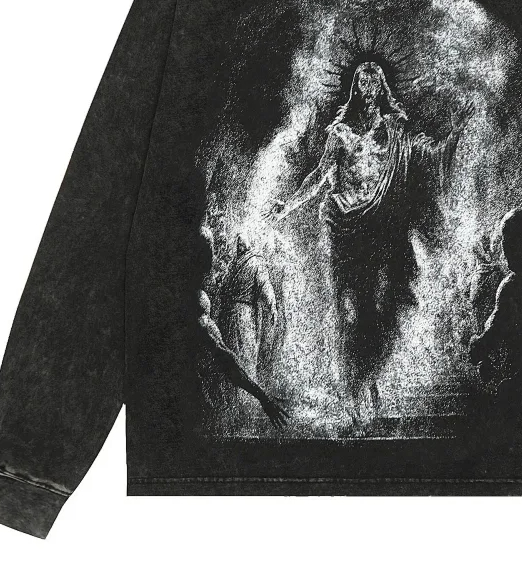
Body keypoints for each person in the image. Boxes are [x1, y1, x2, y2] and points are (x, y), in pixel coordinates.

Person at [269, 61, 474, 416]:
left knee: (378, 309)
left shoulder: (395, 131)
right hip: (343, 225)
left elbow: (428, 156)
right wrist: (287, 205)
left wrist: (454, 135)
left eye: (373, 83)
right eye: (361, 83)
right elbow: (319, 175)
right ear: (354, 88)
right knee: (347, 306)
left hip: (381, 228)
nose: (367, 89)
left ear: (381, 88)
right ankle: (352, 386)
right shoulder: (339, 133)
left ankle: (368, 377)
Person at [197, 228, 288, 431]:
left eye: (241, 243)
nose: (238, 246)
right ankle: (238, 411)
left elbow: (265, 288)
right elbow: (223, 354)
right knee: (237, 357)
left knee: (240, 357)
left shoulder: (246, 264)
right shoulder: (241, 265)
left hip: (237, 316)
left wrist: (272, 306)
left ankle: (240, 409)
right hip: (236, 316)